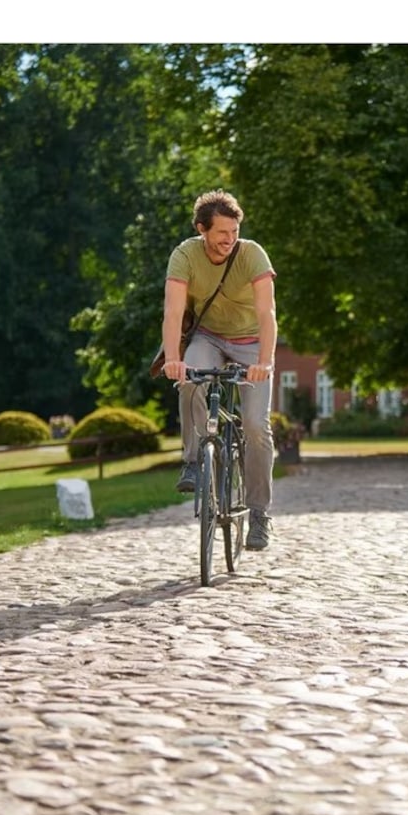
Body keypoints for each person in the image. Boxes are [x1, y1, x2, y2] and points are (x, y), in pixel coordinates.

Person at [161, 190, 278, 550]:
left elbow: (267, 314)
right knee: (189, 381)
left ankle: (259, 514)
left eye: (234, 231)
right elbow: (173, 313)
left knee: (255, 425)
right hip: (209, 338)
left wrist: (265, 362)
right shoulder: (185, 255)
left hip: (252, 343)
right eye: (222, 232)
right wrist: (173, 358)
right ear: (202, 229)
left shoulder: (252, 254)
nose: (230, 239)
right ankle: (193, 461)